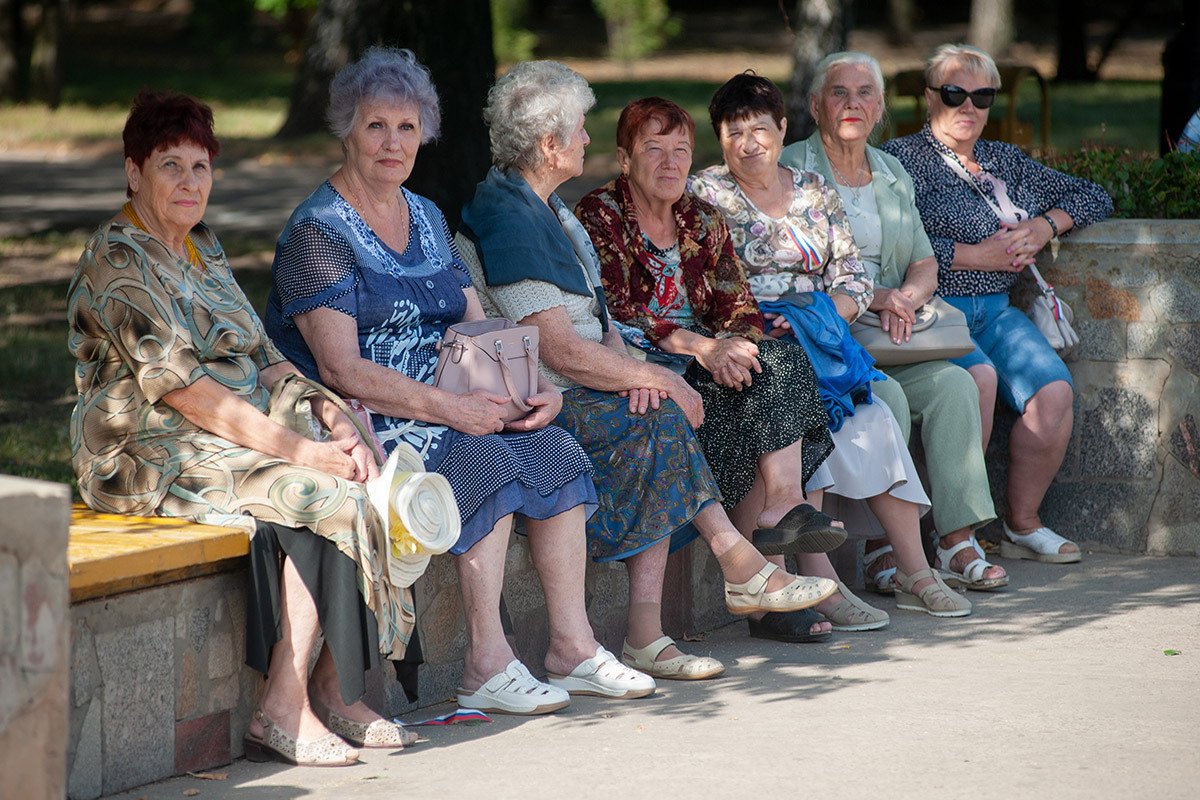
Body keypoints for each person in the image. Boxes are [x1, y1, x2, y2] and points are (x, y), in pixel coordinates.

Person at [263, 47, 657, 715]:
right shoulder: (318, 233)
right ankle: (486, 663)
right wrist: (454, 408)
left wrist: (529, 387)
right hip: (366, 415)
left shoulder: (425, 215)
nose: (393, 143)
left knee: (556, 448)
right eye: (376, 127)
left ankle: (572, 645)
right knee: (483, 459)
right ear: (347, 130)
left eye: (408, 128)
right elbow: (340, 367)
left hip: (448, 399)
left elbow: (475, 324)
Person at [458, 60, 842, 678]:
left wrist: (637, 369)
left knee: (687, 401)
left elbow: (604, 325)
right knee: (661, 415)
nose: (588, 139)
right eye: (580, 130)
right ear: (550, 142)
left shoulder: (547, 210)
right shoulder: (512, 213)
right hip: (539, 393)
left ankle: (685, 607)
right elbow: (555, 347)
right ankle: (727, 574)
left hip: (586, 373)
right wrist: (656, 375)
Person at [69, 90, 410, 767]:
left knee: (373, 467)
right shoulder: (118, 259)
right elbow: (192, 397)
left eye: (201, 167)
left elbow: (268, 357)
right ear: (134, 171)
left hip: (230, 433)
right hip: (146, 450)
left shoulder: (204, 249)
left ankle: (335, 688)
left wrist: (328, 411)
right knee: (323, 494)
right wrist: (301, 450)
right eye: (171, 166)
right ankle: (282, 709)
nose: (190, 183)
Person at [578, 95, 944, 642]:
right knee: (761, 401)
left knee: (771, 361)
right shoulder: (601, 214)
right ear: (625, 159)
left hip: (706, 359)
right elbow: (622, 310)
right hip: (640, 361)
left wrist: (736, 346)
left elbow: (739, 307)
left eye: (680, 149)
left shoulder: (699, 217)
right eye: (653, 149)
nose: (671, 162)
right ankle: (772, 587)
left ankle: (782, 510)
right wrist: (705, 348)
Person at [689, 75, 970, 620]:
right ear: (720, 139)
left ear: (783, 129)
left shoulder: (815, 190)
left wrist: (815, 319)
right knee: (800, 415)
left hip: (822, 342)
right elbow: (702, 287)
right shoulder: (706, 195)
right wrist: (770, 328)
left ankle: (916, 570)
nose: (750, 143)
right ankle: (826, 584)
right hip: (753, 348)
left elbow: (854, 280)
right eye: (735, 131)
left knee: (878, 422)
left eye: (761, 129)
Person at [778, 52, 1006, 592]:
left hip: (891, 334)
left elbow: (925, 261)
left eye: (865, 93)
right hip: (831, 333)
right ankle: (885, 543)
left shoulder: (891, 170)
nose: (852, 103)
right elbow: (782, 268)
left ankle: (955, 539)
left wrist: (904, 295)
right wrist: (874, 295)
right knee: (890, 399)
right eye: (839, 93)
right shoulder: (789, 167)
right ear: (815, 105)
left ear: (880, 108)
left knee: (955, 385)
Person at [882, 44, 1112, 563]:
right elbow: (888, 249)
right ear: (928, 97)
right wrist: (973, 255)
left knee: (1053, 394)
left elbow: (1093, 196)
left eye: (982, 95)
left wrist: (1042, 225)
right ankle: (953, 537)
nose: (969, 106)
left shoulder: (1003, 159)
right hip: (938, 315)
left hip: (998, 312)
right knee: (975, 390)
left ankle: (1022, 524)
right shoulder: (900, 162)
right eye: (954, 93)